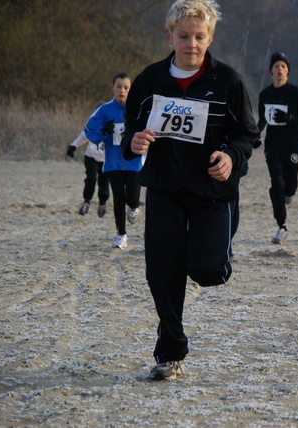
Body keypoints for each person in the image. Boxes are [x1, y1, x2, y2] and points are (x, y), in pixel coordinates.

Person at [121, 0, 259, 381]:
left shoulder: (227, 81)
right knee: (161, 272)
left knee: (206, 269)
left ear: (210, 37)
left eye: (199, 36)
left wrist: (231, 155)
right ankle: (171, 352)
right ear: (170, 36)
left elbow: (248, 134)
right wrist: (134, 142)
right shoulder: (149, 80)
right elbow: (129, 131)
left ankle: (212, 255)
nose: (191, 44)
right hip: (164, 188)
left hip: (212, 193)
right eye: (183, 36)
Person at [256, 52, 298, 244]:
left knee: (290, 186)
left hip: (293, 144)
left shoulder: (295, 93)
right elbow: (263, 120)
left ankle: (289, 194)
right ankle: (282, 226)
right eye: (276, 66)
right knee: (276, 184)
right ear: (271, 70)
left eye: (283, 66)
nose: (279, 69)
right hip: (273, 145)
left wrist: (290, 119)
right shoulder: (265, 94)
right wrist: (256, 134)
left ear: (288, 71)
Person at [84, 72, 142, 249]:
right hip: (113, 163)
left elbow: (151, 128)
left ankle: (134, 207)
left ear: (131, 89)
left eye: (126, 87)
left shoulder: (138, 109)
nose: (122, 91)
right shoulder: (104, 110)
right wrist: (104, 130)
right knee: (118, 199)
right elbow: (89, 132)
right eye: (119, 87)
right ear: (112, 88)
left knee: (132, 198)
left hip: (134, 162)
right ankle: (121, 235)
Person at [66, 128, 110, 218]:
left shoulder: (115, 125)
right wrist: (73, 146)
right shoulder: (95, 123)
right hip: (91, 157)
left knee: (104, 181)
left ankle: (102, 203)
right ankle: (86, 202)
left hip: (107, 159)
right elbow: (84, 135)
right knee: (91, 178)